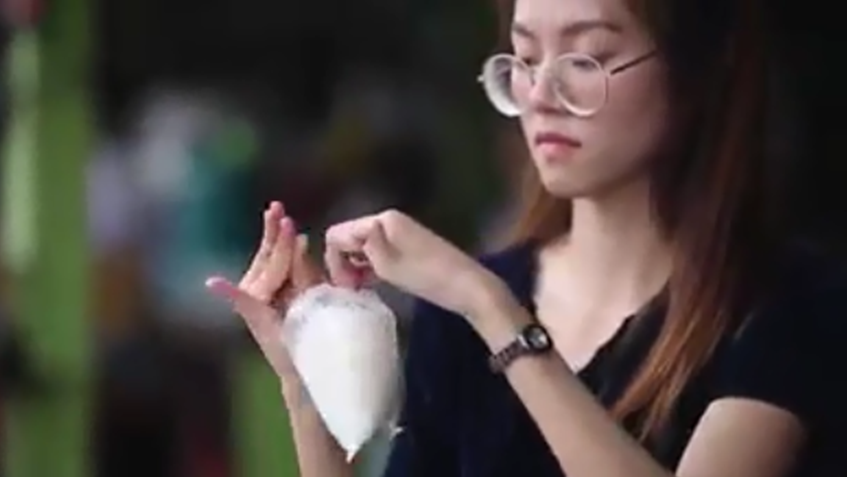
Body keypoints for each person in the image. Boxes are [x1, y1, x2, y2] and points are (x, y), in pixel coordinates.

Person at [205, 0, 847, 475]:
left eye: (587, 58)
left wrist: (492, 310)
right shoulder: (461, 314)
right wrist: (307, 381)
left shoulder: (792, 306)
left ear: (698, 70)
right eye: (525, 58)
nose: (540, 94)